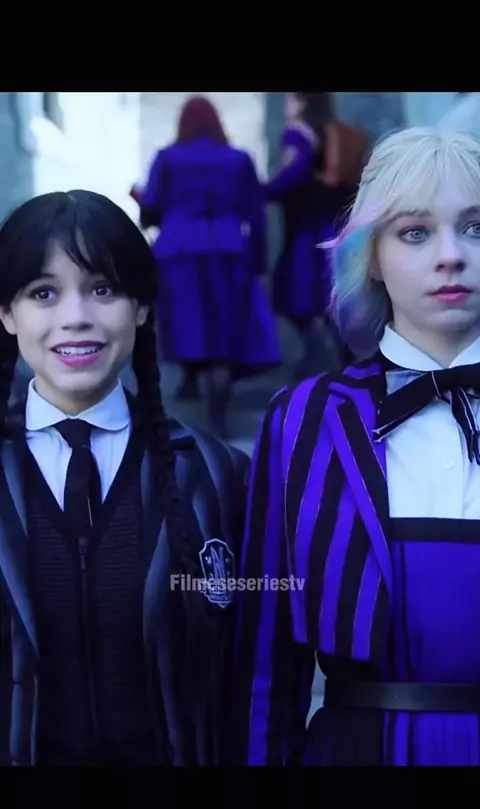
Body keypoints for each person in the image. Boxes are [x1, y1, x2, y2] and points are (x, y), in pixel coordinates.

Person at [232, 126, 480, 766]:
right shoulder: (304, 419)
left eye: (476, 227)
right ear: (370, 254)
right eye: (415, 232)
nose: (450, 256)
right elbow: (265, 660)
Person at [0, 189, 249, 767]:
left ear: (140, 306)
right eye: (44, 293)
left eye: (103, 289)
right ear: (7, 314)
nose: (76, 317)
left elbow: (253, 673)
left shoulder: (217, 476)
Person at [132, 94, 281, 437]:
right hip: (228, 247)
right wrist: (259, 262)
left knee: (189, 323)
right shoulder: (238, 159)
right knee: (224, 334)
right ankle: (219, 417)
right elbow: (256, 214)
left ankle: (189, 383)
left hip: (179, 249)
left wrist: (140, 200)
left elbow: (151, 208)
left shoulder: (168, 158)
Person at [266, 91, 369, 378]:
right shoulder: (343, 134)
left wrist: (260, 191)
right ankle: (348, 358)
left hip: (309, 230)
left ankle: (321, 356)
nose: (287, 104)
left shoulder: (299, 135)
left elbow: (291, 177)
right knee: (335, 297)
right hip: (339, 226)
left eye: (291, 98)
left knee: (300, 298)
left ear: (303, 102)